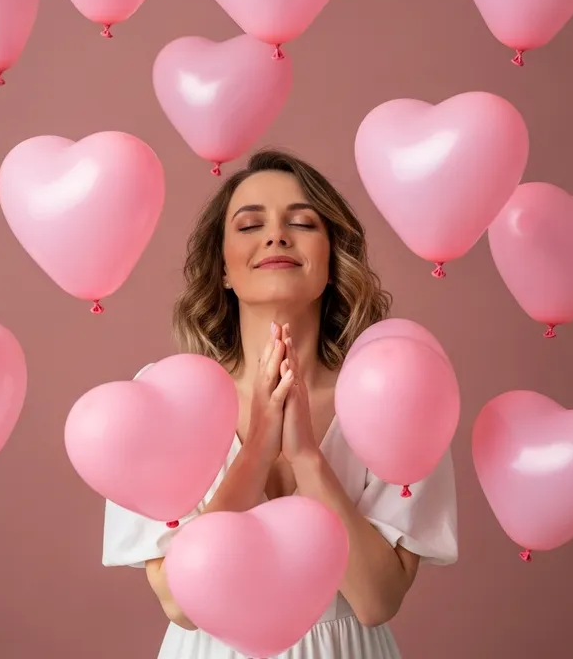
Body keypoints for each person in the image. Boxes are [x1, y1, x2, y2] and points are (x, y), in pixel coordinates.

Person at [102, 149, 458, 658]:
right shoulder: (161, 400)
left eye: (301, 222)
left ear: (333, 260)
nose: (276, 236)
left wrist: (309, 458)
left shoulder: (397, 392)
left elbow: (378, 599)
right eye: (250, 225)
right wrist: (256, 453)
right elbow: (182, 603)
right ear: (222, 268)